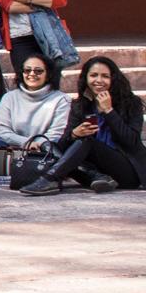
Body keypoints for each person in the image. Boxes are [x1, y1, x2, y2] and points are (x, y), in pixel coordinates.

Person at [19, 55, 145, 196]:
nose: (98, 80)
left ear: (113, 79)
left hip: (128, 172)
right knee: (48, 145)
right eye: (93, 75)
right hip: (95, 170)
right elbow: (63, 146)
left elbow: (132, 142)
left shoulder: (131, 103)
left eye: (105, 76)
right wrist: (74, 134)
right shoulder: (80, 105)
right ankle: (97, 177)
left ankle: (49, 179)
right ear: (86, 78)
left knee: (87, 141)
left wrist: (109, 111)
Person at [0, 51, 70, 185]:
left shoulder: (61, 99)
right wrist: (27, 143)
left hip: (47, 151)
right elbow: (1, 130)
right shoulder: (9, 97)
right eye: (27, 70)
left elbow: (57, 132)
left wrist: (37, 144)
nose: (32, 74)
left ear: (48, 74)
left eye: (38, 71)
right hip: (15, 151)